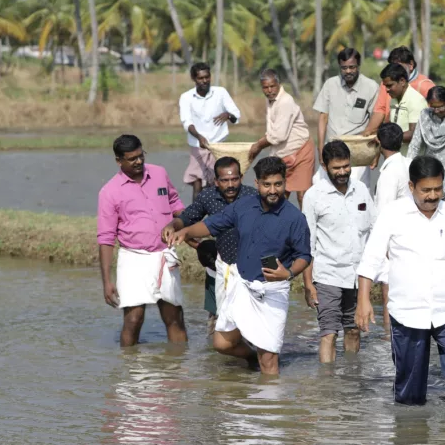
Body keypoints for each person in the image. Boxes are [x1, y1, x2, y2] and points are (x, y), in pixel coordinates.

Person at [355, 156, 445, 407]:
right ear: (411, 187)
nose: (433, 196)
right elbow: (370, 258)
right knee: (410, 389)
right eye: (426, 190)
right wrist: (363, 301)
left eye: (438, 189)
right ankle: (410, 440)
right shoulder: (393, 214)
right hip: (407, 312)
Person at [169, 157, 311, 375]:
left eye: (278, 184)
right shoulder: (244, 206)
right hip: (242, 285)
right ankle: (252, 361)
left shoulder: (295, 218)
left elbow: (304, 255)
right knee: (222, 343)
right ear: (257, 184)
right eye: (267, 184)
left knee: (269, 361)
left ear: (285, 183)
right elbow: (210, 224)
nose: (273, 190)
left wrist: (288, 273)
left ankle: (269, 404)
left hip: (271, 292)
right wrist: (185, 231)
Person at [97, 134, 188, 347]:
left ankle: (177, 372)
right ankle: (130, 375)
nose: (139, 162)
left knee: (174, 317)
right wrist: (107, 282)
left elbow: (175, 203)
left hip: (165, 255)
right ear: (119, 161)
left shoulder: (159, 173)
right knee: (134, 318)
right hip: (134, 259)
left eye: (141, 155)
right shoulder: (109, 192)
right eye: (132, 159)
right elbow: (106, 238)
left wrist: (187, 226)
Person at [302, 141, 377, 363]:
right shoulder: (313, 196)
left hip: (357, 277)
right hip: (328, 276)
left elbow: (375, 229)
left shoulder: (361, 189)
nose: (343, 172)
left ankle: (351, 383)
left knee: (354, 330)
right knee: (329, 333)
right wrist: (308, 284)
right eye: (337, 168)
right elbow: (308, 243)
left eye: (346, 166)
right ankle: (328, 387)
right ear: (324, 166)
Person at [160, 156, 258, 325]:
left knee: (251, 321)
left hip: (251, 266)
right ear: (216, 181)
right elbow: (187, 217)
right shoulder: (208, 197)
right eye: (225, 180)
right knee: (220, 321)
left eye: (234, 179)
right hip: (222, 265)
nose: (230, 185)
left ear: (241, 178)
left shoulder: (253, 197)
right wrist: (173, 225)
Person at [248, 69, 315, 209]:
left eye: (272, 86)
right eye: (265, 87)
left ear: (278, 84)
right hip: (283, 155)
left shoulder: (285, 101)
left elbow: (279, 136)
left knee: (303, 196)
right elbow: (272, 131)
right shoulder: (270, 101)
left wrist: (259, 145)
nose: (269, 90)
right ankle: (278, 226)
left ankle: (306, 227)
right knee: (279, 195)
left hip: (301, 151)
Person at [313, 48, 380, 186]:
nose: (348, 71)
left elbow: (377, 119)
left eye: (352, 67)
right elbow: (323, 118)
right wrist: (320, 150)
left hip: (358, 151)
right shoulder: (330, 85)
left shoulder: (370, 87)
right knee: (318, 183)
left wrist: (376, 153)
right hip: (332, 147)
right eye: (344, 68)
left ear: (358, 66)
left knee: (356, 188)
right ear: (339, 67)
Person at [179, 62, 242, 199]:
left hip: (217, 144)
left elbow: (236, 114)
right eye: (201, 78)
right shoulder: (186, 97)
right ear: (194, 79)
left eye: (207, 77)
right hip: (197, 145)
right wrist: (199, 136)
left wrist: (228, 115)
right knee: (196, 181)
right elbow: (187, 122)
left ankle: (215, 215)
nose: (205, 81)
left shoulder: (220, 92)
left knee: (214, 182)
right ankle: (195, 216)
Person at [372, 122, 412, 330]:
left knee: (389, 287)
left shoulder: (389, 172)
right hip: (410, 233)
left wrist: (383, 246)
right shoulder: (408, 163)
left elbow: (383, 211)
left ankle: (389, 334)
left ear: (379, 143)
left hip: (394, 236)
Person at [365, 46, 435, 136]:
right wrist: (368, 132)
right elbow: (380, 109)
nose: (394, 69)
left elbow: (430, 122)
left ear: (410, 65)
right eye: (392, 66)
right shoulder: (387, 84)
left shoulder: (425, 86)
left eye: (398, 66)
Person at [378, 63, 428, 146]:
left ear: (402, 81)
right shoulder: (394, 99)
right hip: (397, 155)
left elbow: (415, 134)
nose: (386, 90)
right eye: (385, 86)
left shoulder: (416, 101)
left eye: (389, 85)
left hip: (411, 157)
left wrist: (387, 138)